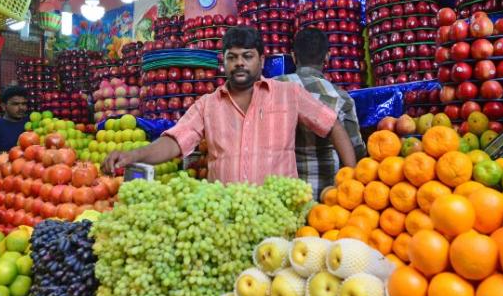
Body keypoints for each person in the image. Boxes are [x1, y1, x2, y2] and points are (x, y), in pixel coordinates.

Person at [102, 26, 357, 184]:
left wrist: (352, 177)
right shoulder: (207, 105)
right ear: (222, 61)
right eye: (232, 57)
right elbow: (175, 142)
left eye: (247, 56)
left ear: (261, 60)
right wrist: (133, 155)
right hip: (225, 219)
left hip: (278, 215)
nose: (239, 63)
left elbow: (331, 124)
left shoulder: (288, 94)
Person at [276, 28, 366, 197]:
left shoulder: (275, 87)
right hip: (327, 196)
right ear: (327, 57)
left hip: (284, 194)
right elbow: (356, 150)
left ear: (294, 57)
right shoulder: (341, 98)